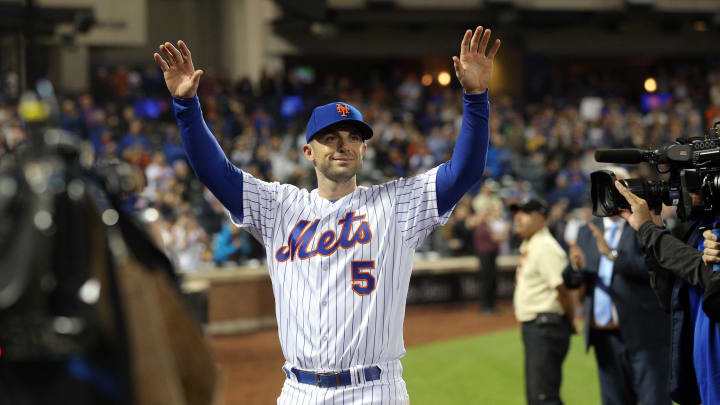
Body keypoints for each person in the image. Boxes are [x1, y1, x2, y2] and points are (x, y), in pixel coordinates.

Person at [153, 26, 500, 404]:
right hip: (298, 390)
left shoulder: (397, 204)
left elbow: (465, 170)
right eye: (331, 137)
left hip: (373, 389)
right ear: (308, 152)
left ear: (364, 151)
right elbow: (215, 173)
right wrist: (186, 107)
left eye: (354, 137)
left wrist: (476, 97)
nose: (344, 146)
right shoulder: (278, 207)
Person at [563, 167, 671, 405]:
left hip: (645, 335)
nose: (610, 192)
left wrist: (612, 255)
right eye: (604, 187)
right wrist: (576, 267)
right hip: (604, 336)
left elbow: (659, 269)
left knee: (652, 399)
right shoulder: (586, 231)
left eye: (617, 185)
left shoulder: (646, 225)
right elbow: (571, 280)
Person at [614, 181, 719, 405]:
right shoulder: (698, 228)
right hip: (701, 366)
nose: (685, 194)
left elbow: (704, 273)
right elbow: (670, 295)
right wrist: (655, 227)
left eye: (692, 185)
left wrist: (649, 231)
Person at [511, 197, 575, 405]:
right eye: (517, 212)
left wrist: (570, 319)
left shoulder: (545, 246)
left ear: (541, 219)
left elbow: (563, 289)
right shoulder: (531, 244)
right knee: (539, 396)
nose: (518, 217)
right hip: (539, 326)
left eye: (526, 213)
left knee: (543, 397)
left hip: (546, 326)